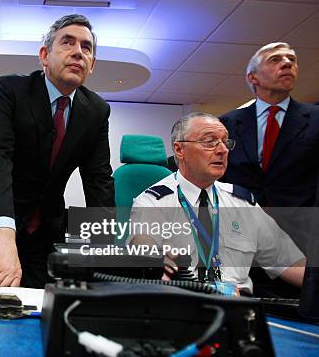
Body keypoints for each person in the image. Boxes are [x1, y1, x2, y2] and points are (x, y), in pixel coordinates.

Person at [0, 14, 114, 288]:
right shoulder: (11, 89)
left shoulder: (97, 110)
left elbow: (98, 179)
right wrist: (4, 239)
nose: (78, 52)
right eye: (68, 43)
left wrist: (105, 250)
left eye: (86, 47)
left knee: (42, 308)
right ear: (44, 55)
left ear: (92, 65)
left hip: (45, 231)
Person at [130, 112, 305, 294]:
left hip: (240, 309)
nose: (222, 149)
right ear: (179, 150)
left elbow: (288, 261)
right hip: (184, 305)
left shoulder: (242, 202)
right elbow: (144, 249)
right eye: (209, 141)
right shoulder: (154, 201)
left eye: (225, 142)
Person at [220, 42, 319, 208]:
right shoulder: (227, 124)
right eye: (275, 60)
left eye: (292, 60)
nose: (287, 63)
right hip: (242, 220)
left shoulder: (315, 118)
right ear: (253, 77)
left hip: (302, 224)